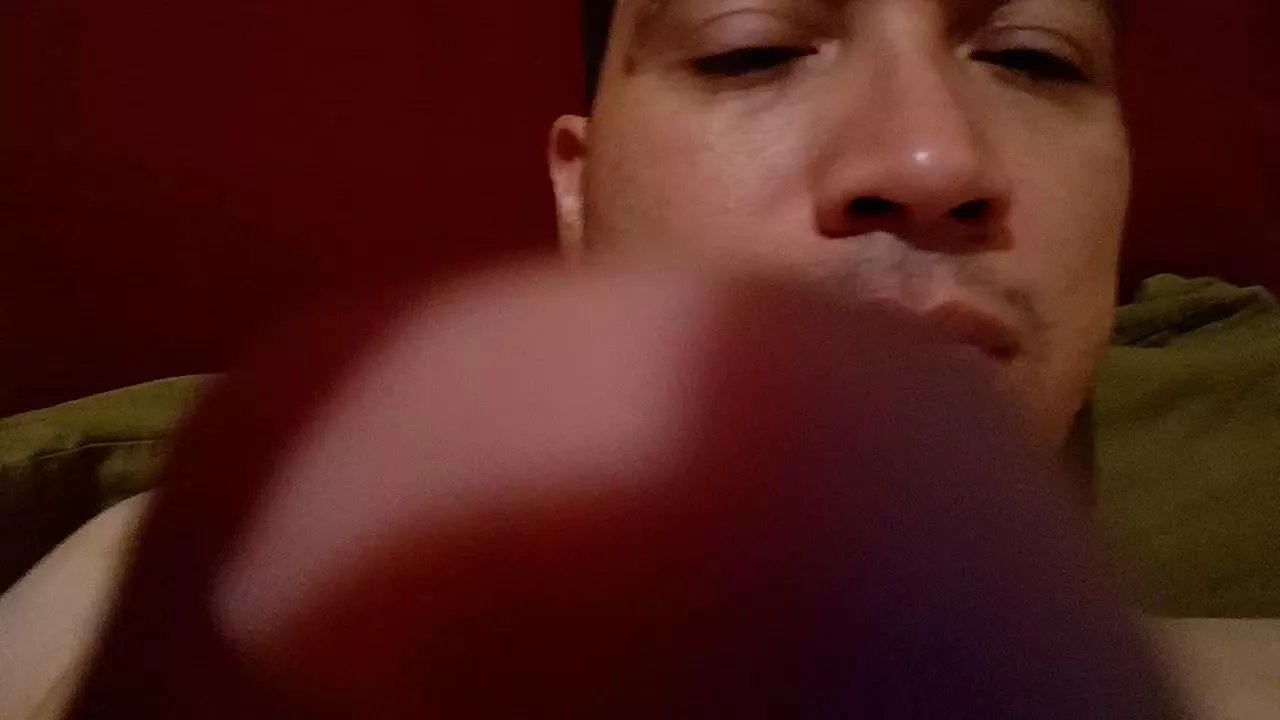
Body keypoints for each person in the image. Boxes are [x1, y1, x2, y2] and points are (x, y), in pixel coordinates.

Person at [2, 0, 1277, 717]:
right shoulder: (145, 587)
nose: (929, 161)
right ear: (577, 188)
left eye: (1029, 58)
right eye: (750, 48)